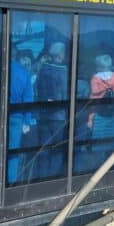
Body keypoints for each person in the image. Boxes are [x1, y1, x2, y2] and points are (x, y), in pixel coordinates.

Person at [35, 42, 69, 179]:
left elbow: (37, 90)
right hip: (58, 116)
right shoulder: (63, 71)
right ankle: (53, 179)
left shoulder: (43, 69)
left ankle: (41, 178)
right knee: (57, 150)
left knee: (44, 150)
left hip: (43, 115)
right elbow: (65, 94)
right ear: (61, 54)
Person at [7, 49, 35, 183]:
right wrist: (27, 122)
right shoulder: (24, 73)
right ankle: (11, 183)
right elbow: (28, 98)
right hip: (17, 118)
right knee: (13, 154)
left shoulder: (2, 67)